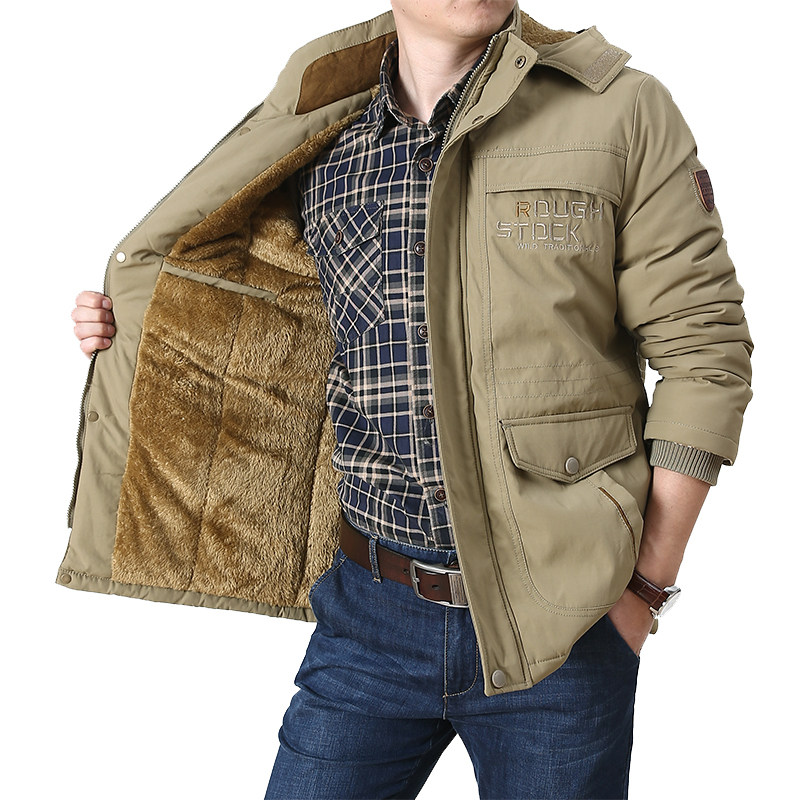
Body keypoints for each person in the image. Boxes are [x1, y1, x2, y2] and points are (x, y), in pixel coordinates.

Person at [63, 2, 753, 798]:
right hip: (369, 613)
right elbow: (262, 307)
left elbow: (707, 355)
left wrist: (641, 593)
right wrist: (141, 324)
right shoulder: (323, 128)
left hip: (564, 618)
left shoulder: (619, 109)